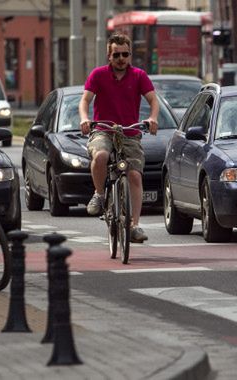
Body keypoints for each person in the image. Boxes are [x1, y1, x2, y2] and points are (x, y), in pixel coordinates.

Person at [78, 33, 159, 243]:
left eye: (125, 54)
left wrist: (152, 118)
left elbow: (153, 101)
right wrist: (85, 119)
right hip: (103, 129)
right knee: (101, 155)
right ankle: (99, 194)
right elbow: (85, 100)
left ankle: (134, 225)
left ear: (130, 55)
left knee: (134, 175)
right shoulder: (98, 75)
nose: (121, 58)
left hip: (129, 133)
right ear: (109, 55)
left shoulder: (139, 76)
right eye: (117, 55)